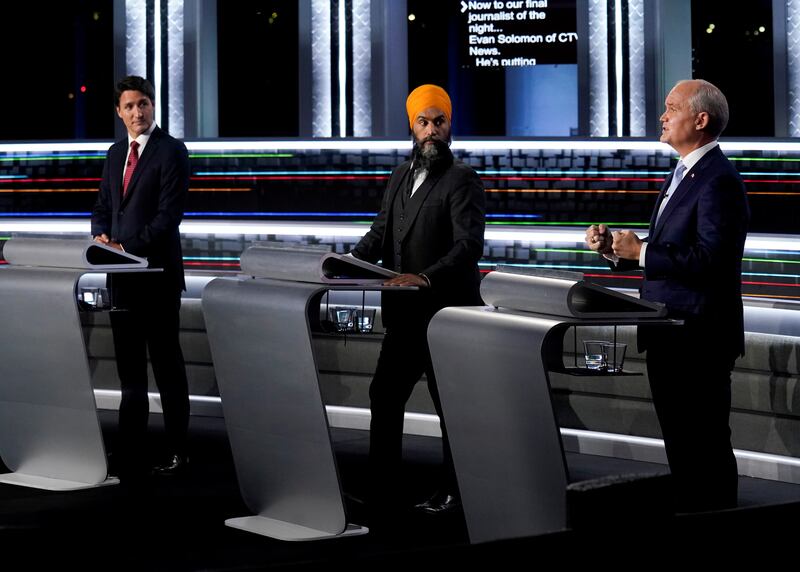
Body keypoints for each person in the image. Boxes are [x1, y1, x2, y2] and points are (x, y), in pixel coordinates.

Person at [586, 79, 749, 512]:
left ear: (700, 119)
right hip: (669, 334)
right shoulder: (683, 173)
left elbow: (711, 260)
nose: (662, 116)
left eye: (671, 108)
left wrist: (642, 251)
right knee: (683, 450)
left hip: (698, 338)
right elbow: (670, 254)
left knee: (705, 449)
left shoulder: (719, 180)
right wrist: (618, 253)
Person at [350, 84, 486, 519]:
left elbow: (468, 246)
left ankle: (455, 492)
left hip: (446, 314)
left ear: (450, 126)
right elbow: (379, 235)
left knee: (451, 407)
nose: (431, 131)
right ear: (412, 126)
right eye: (423, 123)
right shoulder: (398, 176)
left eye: (438, 122)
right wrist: (343, 263)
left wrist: (425, 278)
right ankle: (383, 488)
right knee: (384, 395)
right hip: (405, 316)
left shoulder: (462, 178)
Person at [91, 75, 191, 480]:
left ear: (154, 106)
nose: (138, 112)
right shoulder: (116, 153)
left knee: (167, 367)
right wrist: (100, 236)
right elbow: (102, 204)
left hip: (158, 278)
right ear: (119, 112)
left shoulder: (172, 151)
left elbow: (168, 217)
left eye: (144, 104)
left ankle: (178, 449)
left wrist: (125, 247)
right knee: (129, 372)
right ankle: (130, 447)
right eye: (130, 106)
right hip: (122, 279)